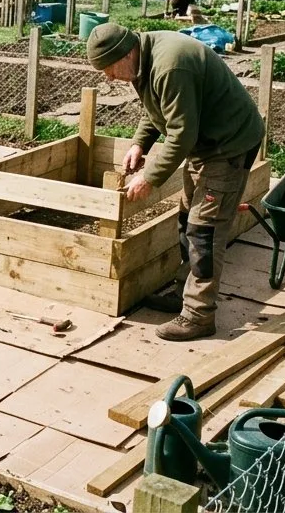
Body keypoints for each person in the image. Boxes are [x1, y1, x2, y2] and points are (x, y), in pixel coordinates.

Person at [86, 23, 265, 341]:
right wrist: (140, 143)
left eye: (110, 69)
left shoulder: (171, 65)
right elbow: (157, 108)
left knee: (204, 232)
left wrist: (150, 177)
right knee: (187, 219)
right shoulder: (144, 60)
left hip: (228, 145)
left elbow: (182, 133)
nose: (109, 77)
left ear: (127, 54)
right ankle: (185, 293)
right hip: (206, 142)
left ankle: (199, 316)